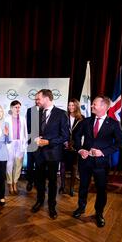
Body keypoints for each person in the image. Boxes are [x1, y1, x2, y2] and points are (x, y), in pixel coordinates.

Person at [72, 95, 122, 227]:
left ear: (104, 106)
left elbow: (120, 143)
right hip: (85, 161)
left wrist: (103, 152)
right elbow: (76, 136)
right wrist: (80, 149)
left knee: (101, 189)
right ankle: (81, 207)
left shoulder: (113, 124)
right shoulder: (86, 121)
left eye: (94, 104)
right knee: (83, 186)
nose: (91, 106)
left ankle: (99, 213)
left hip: (101, 164)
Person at [31, 89, 70, 220]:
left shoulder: (61, 114)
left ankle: (52, 206)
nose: (36, 101)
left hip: (53, 154)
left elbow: (65, 136)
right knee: (39, 180)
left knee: (52, 181)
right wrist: (35, 138)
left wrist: (48, 141)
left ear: (47, 98)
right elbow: (35, 131)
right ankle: (39, 201)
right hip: (39, 154)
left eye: (38, 99)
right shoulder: (37, 113)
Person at [59, 98, 84, 196]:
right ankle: (62, 186)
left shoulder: (81, 118)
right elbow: (60, 130)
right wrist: (64, 141)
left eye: (73, 105)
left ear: (77, 106)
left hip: (75, 146)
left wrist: (76, 144)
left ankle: (72, 188)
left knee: (74, 167)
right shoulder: (64, 116)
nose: (70, 107)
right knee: (63, 166)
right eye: (69, 105)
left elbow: (82, 133)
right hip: (64, 145)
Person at [5, 100, 28, 195]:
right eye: (16, 107)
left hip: (20, 144)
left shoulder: (23, 119)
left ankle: (15, 183)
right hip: (10, 144)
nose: (17, 109)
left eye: (19, 107)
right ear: (11, 108)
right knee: (9, 165)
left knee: (18, 165)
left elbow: (25, 133)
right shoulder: (6, 119)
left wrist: (24, 145)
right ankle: (10, 183)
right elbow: (5, 134)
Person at [25, 99, 42, 192]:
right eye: (36, 99)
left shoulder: (45, 110)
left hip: (42, 142)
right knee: (30, 163)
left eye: (39, 99)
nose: (37, 101)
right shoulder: (30, 110)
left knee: (39, 164)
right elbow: (27, 126)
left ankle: (37, 182)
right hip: (31, 142)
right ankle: (30, 181)